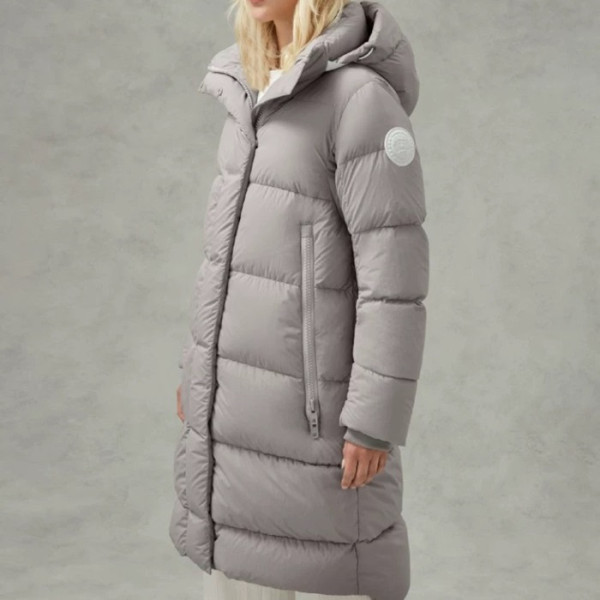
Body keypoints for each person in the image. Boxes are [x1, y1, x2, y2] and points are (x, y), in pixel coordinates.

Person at [169, 0, 429, 599]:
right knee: (236, 571)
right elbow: (224, 262)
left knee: (326, 567)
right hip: (236, 413)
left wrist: (375, 420)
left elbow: (394, 277)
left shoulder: (360, 100)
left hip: (316, 423)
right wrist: (196, 371)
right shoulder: (248, 89)